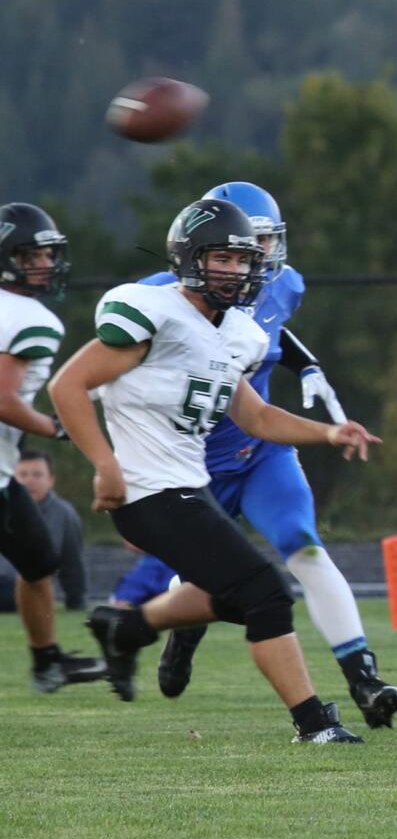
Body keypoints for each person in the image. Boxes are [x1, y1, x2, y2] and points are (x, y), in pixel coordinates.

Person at [49, 197, 380, 743]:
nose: (235, 271)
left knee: (233, 595)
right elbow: (68, 386)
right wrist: (104, 464)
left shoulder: (240, 335)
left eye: (243, 260)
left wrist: (328, 432)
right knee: (268, 594)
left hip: (188, 488)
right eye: (221, 259)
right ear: (188, 258)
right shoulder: (153, 311)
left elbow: (256, 415)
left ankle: (126, 628)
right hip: (145, 492)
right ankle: (314, 722)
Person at [0, 202, 107, 692]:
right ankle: (46, 662)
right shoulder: (32, 318)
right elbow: (2, 399)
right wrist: (57, 427)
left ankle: (47, 662)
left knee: (40, 559)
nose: (44, 264)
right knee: (39, 559)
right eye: (31, 256)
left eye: (47, 255)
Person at [16, 448, 87, 610]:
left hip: (30, 590)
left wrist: (76, 600)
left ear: (51, 480)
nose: (29, 480)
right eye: (23, 475)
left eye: (37, 474)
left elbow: (72, 561)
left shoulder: (64, 514)